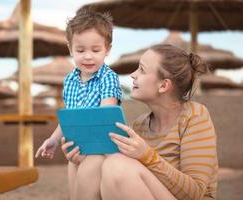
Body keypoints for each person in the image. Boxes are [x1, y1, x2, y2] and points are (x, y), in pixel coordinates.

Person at [61, 44, 218, 200]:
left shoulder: (195, 116)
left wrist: (147, 156)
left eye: (142, 70)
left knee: (117, 166)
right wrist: (82, 160)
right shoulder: (140, 125)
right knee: (90, 162)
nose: (133, 75)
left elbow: (195, 193)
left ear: (163, 85)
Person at [35, 9, 122, 194]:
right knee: (75, 193)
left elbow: (104, 118)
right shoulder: (69, 80)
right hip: (76, 147)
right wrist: (53, 139)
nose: (88, 56)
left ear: (108, 49)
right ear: (70, 49)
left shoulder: (108, 77)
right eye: (80, 50)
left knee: (90, 192)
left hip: (100, 150)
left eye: (96, 50)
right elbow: (69, 118)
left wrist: (87, 145)